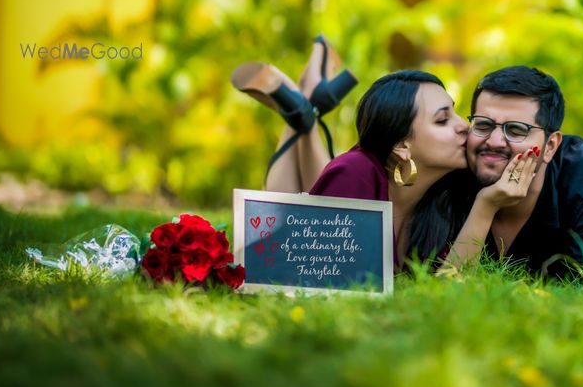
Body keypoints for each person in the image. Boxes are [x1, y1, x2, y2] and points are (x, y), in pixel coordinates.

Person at [231, 39, 540, 270]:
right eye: (443, 119)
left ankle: (304, 108)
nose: (465, 127)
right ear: (401, 145)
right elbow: (316, 272)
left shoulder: (450, 190)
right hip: (293, 241)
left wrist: (486, 203)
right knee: (285, 205)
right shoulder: (356, 174)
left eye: (457, 113)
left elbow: (449, 284)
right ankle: (304, 114)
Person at [446, 66, 583, 278]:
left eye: (516, 130)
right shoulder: (452, 171)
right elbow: (443, 289)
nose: (494, 141)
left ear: (551, 146)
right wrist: (486, 204)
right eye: (483, 125)